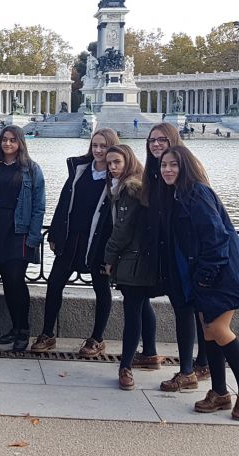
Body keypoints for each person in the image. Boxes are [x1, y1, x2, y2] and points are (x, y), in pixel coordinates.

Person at [160, 146, 239, 420]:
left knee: (218, 329)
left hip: (220, 273)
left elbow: (216, 237)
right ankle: (219, 393)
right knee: (208, 332)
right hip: (206, 273)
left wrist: (206, 277)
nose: (167, 169)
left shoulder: (197, 193)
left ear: (186, 167)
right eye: (164, 165)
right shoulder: (180, 194)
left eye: (174, 165)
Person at [31, 128, 119, 356]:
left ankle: (97, 338)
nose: (98, 150)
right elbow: (64, 202)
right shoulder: (80, 169)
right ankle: (47, 333)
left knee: (101, 288)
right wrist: (54, 233)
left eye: (104, 146)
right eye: (95, 145)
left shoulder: (117, 177)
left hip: (98, 242)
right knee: (54, 283)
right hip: (72, 238)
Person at [141, 123, 209, 390]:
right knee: (185, 309)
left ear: (173, 141)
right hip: (169, 251)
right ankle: (195, 366)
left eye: (162, 139)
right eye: (152, 140)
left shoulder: (188, 176)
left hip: (188, 254)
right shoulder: (154, 174)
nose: (156, 144)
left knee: (193, 310)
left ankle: (193, 368)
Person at [103, 145, 161, 391]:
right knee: (142, 304)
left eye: (117, 162)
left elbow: (122, 229)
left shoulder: (129, 188)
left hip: (132, 259)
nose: (112, 167)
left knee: (132, 311)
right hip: (144, 257)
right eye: (109, 164)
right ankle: (150, 353)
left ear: (129, 161)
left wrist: (109, 257)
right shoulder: (138, 185)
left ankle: (125, 367)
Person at [0, 125, 45, 352]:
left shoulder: (31, 169)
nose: (7, 144)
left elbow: (39, 206)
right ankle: (14, 326)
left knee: (16, 279)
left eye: (12, 140)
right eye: (4, 140)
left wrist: (34, 236)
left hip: (19, 230)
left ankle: (24, 329)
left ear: (20, 142)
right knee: (7, 281)